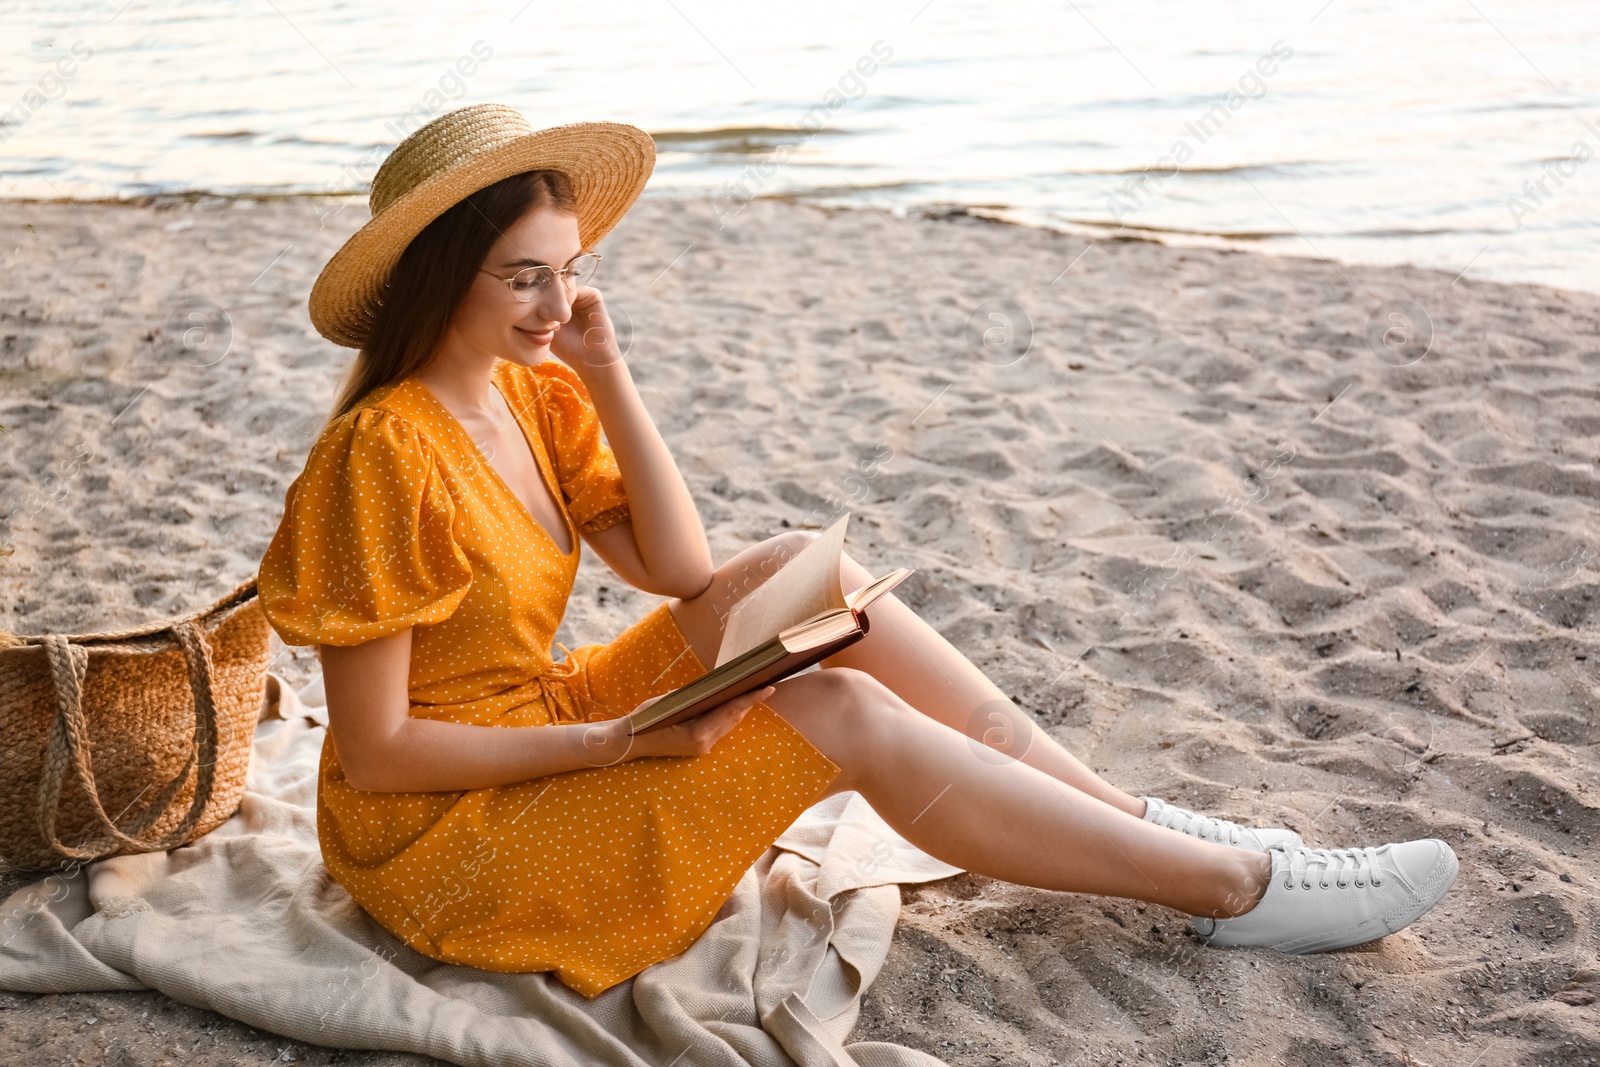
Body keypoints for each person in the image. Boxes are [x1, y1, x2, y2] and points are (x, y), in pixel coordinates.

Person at [258, 103, 1458, 1001]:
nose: (553, 303)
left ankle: (1136, 815)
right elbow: (379, 750)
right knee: (832, 704)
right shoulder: (382, 454)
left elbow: (679, 567)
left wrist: (606, 371)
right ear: (436, 278)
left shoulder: (534, 394)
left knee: (809, 574)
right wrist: (621, 741)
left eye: (568, 271)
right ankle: (1232, 892)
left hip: (539, 719)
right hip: (447, 833)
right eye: (523, 277)